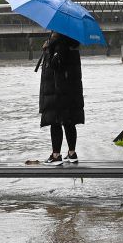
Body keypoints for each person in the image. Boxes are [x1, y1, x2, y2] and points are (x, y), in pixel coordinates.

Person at [36, 31, 84, 164]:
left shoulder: (60, 44)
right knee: (69, 121)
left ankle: (56, 155)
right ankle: (72, 153)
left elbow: (56, 64)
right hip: (69, 91)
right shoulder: (70, 43)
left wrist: (47, 49)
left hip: (57, 91)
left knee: (55, 122)